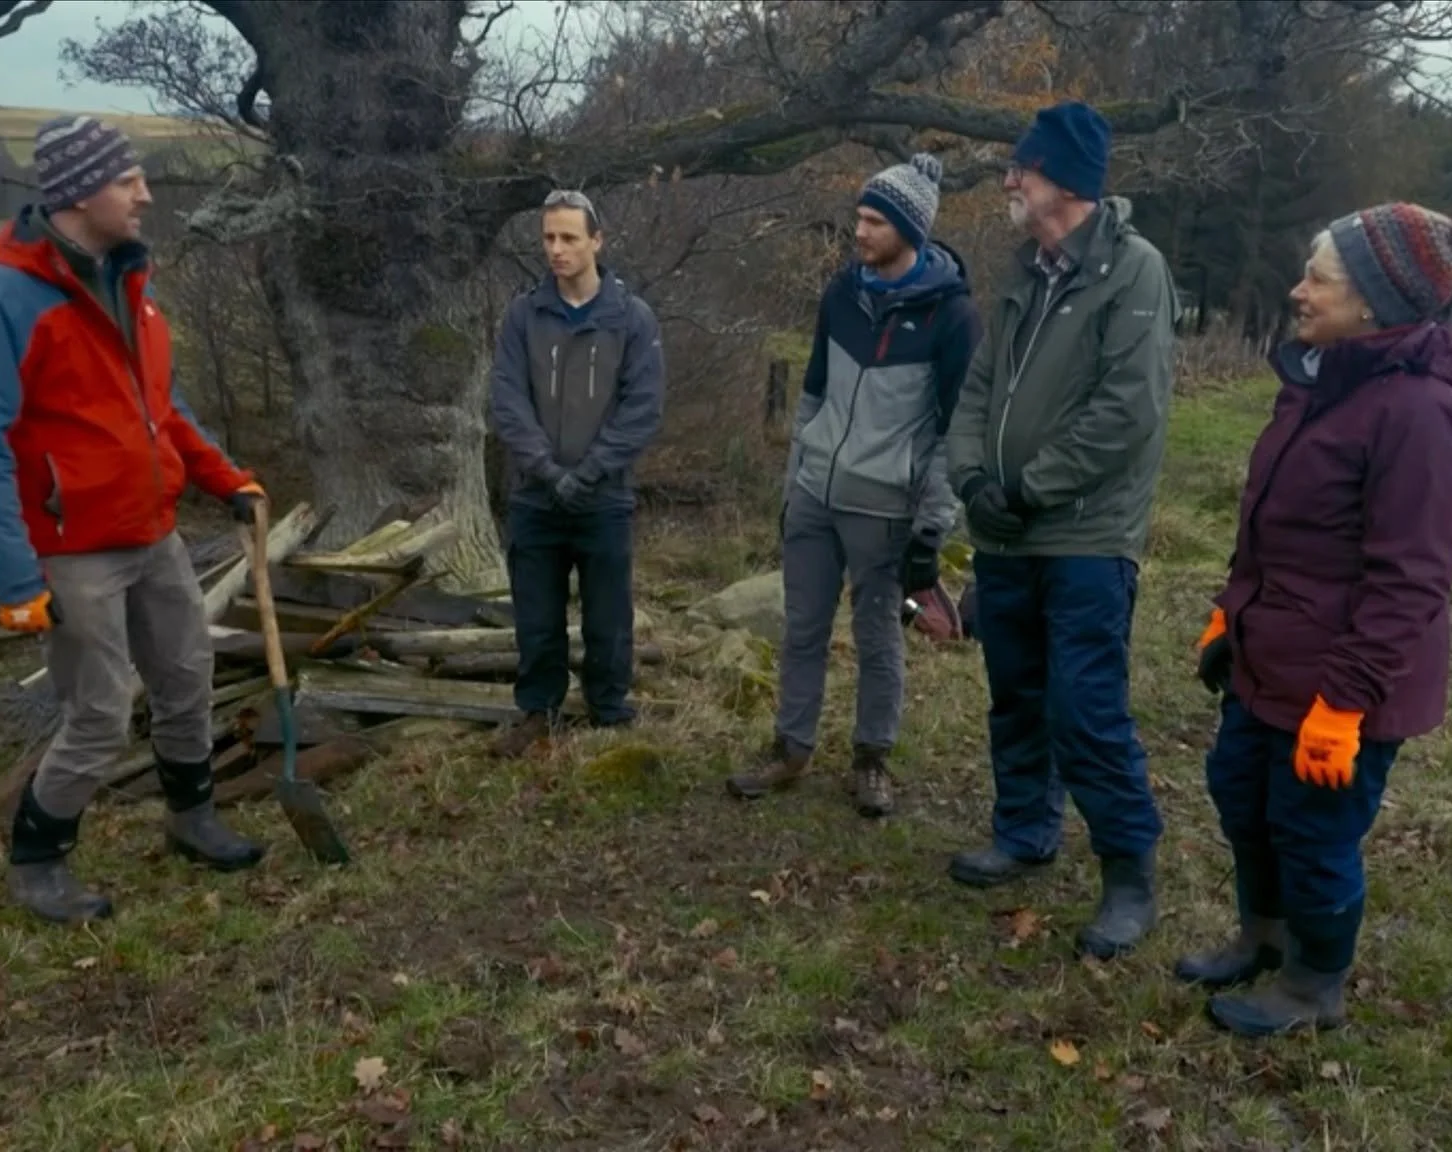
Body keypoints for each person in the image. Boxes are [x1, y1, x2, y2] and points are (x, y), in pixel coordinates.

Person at [1179, 202, 1452, 1036]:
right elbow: (1271, 527)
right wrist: (1231, 612)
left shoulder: (1421, 417)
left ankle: (1312, 986)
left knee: (1312, 831)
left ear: (1372, 301)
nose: (1298, 290)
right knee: (1241, 797)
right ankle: (1264, 937)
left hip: (1340, 684)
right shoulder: (1319, 383)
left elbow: (1411, 583)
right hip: (1270, 655)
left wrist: (1345, 706)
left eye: (1317, 278)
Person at [0, 115, 269, 925]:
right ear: (82, 190)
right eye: (130, 181)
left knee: (188, 678)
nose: (145, 194)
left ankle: (192, 819)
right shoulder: (2, 298)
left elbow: (163, 407)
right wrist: (16, 579)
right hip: (71, 550)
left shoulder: (130, 280)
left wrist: (227, 478)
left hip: (151, 531)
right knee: (98, 711)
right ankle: (38, 862)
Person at [942, 100, 1180, 960]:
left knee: (1086, 710)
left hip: (1083, 536)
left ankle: (1128, 875)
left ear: (1067, 183)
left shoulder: (1134, 271)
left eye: (1024, 169)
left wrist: (1031, 488)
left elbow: (1128, 412)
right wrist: (972, 477)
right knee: (1017, 693)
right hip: (1007, 535)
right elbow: (976, 391)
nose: (1009, 180)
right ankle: (1024, 832)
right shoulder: (1022, 273)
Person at [725, 153, 980, 818]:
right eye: (858, 218)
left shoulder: (952, 318)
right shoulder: (842, 294)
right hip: (815, 494)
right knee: (801, 628)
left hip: (885, 509)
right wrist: (793, 487)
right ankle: (790, 748)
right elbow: (811, 395)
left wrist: (931, 528)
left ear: (909, 229)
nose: (859, 232)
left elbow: (955, 434)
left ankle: (872, 760)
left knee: (877, 636)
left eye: (872, 221)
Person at [487, 189, 665, 758]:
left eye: (568, 238)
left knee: (608, 614)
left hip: (603, 496)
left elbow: (643, 408)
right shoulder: (524, 314)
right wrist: (544, 470)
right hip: (536, 497)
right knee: (536, 615)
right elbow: (507, 400)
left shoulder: (631, 319)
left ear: (596, 241)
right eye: (548, 238)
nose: (557, 250)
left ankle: (608, 710)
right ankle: (538, 710)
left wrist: (588, 474)